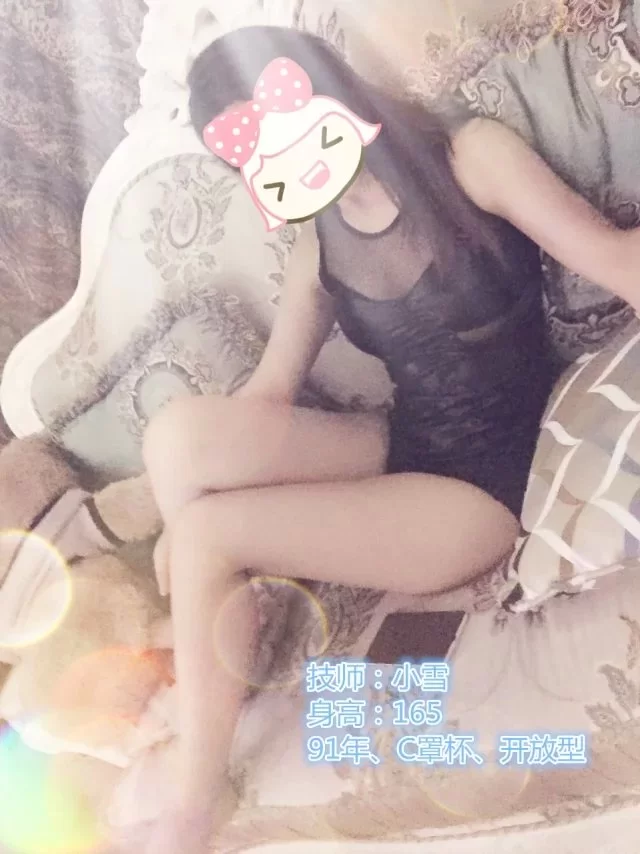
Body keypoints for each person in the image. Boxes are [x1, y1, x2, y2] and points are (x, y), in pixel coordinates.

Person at [141, 25, 640, 854]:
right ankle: (227, 619)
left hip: (484, 489)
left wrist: (196, 524)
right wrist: (186, 485)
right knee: (177, 439)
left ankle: (195, 803)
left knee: (204, 536)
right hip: (406, 438)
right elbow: (270, 392)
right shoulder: (319, 236)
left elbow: (612, 257)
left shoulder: (469, 158)